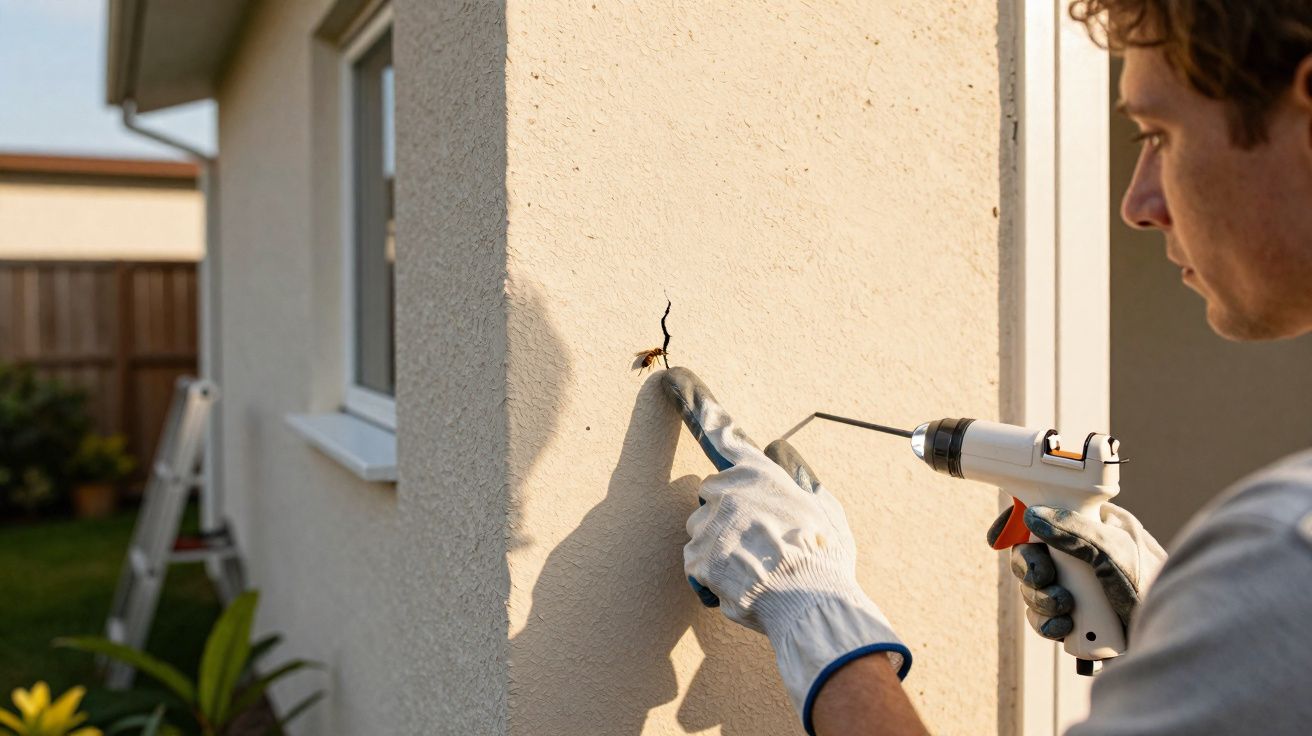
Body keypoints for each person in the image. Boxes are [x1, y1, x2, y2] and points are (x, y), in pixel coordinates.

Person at [660, 2, 1312, 734]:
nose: (1137, 203)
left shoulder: (1288, 551)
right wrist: (1184, 626)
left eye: (1159, 134)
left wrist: (814, 612)